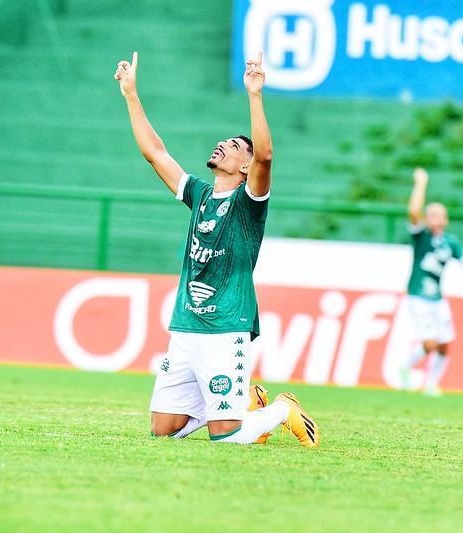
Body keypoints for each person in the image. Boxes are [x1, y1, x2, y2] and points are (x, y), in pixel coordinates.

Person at [115, 51, 319, 447]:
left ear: (245, 167)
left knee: (225, 438)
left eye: (232, 146)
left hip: (227, 328)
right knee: (163, 430)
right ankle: (243, 408)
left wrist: (255, 95)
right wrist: (131, 95)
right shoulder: (199, 195)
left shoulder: (249, 202)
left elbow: (266, 155)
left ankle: (280, 409)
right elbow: (155, 152)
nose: (222, 146)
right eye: (221, 142)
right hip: (186, 325)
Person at [400, 167, 463, 396]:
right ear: (427, 219)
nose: (437, 218)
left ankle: (431, 384)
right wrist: (421, 183)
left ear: (446, 219)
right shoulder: (421, 236)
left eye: (440, 214)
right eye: (433, 214)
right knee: (430, 344)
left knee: (445, 345)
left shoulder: (451, 242)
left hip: (438, 299)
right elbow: (413, 210)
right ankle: (406, 367)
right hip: (418, 296)